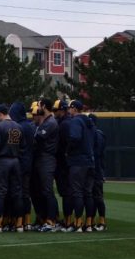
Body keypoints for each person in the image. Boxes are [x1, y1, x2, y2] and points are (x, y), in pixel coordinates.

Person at [0, 104, 23, 232]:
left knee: (0, 192)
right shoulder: (18, 126)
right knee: (17, 192)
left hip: (2, 161)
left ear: (0, 114)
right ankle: (19, 224)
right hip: (15, 160)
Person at [65, 100, 94, 232]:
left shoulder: (76, 121)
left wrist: (68, 150)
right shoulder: (89, 122)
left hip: (78, 161)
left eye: (70, 108)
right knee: (87, 193)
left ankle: (78, 224)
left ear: (75, 109)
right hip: (90, 160)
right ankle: (88, 224)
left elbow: (75, 138)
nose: (68, 111)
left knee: (77, 192)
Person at [33, 98, 60, 232]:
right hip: (42, 158)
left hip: (47, 158)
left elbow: (38, 137)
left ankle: (52, 220)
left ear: (44, 106)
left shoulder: (51, 122)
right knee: (42, 191)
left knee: (47, 190)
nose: (37, 108)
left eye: (39, 105)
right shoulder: (46, 120)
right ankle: (46, 218)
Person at [9, 102, 35, 230]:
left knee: (17, 193)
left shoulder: (18, 126)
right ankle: (27, 221)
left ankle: (18, 222)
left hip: (19, 163)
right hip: (29, 162)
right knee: (25, 193)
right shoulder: (30, 126)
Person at [53, 98, 72, 228]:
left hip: (64, 163)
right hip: (67, 162)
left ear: (63, 110)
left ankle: (68, 220)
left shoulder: (64, 124)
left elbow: (65, 144)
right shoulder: (65, 122)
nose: (55, 112)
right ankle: (70, 220)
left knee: (66, 193)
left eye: (56, 110)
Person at [88, 113, 107, 231]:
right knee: (93, 196)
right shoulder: (95, 133)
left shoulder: (97, 134)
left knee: (97, 196)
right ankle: (94, 221)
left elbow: (97, 153)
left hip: (96, 169)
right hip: (95, 168)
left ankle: (102, 222)